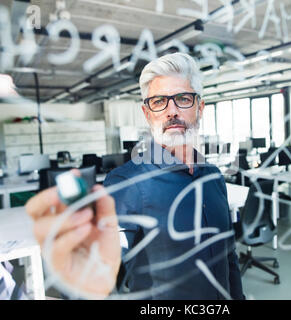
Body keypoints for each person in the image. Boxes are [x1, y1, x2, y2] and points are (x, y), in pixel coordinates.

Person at [103, 52, 244, 299]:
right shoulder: (126, 184)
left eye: (182, 99)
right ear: (147, 114)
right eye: (159, 102)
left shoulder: (214, 177)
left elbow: (228, 255)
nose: (172, 111)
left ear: (200, 108)